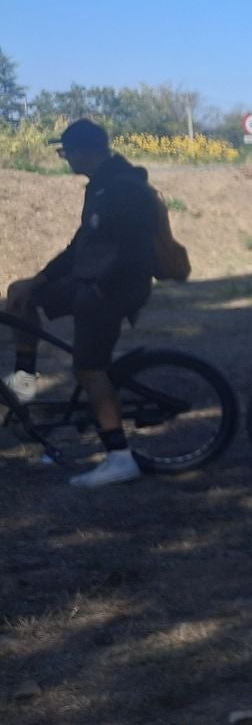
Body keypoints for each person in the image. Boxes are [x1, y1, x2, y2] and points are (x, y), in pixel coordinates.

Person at [5, 119, 160, 488]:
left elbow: (131, 252)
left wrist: (100, 290)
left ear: (83, 151)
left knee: (89, 369)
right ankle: (24, 382)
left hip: (110, 289)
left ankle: (120, 459)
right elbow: (80, 247)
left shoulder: (123, 188)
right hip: (91, 280)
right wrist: (37, 281)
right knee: (18, 297)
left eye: (65, 152)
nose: (65, 159)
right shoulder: (102, 185)